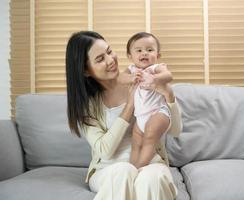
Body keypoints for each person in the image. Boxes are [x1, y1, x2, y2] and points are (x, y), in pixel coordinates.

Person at [65, 30, 182, 200]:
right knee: (124, 171)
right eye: (100, 59)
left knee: (152, 178)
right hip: (109, 169)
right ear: (85, 71)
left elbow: (176, 131)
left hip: (151, 163)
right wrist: (129, 107)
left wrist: (169, 96)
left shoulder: (145, 80)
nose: (110, 60)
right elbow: (104, 151)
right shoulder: (87, 105)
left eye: (109, 51)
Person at [118, 32, 172, 169]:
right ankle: (132, 168)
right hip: (140, 116)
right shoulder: (131, 70)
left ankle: (141, 167)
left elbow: (168, 75)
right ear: (130, 56)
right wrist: (130, 78)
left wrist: (155, 78)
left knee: (149, 138)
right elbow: (119, 78)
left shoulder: (155, 68)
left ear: (158, 55)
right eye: (139, 50)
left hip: (158, 112)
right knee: (136, 143)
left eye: (150, 50)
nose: (145, 53)